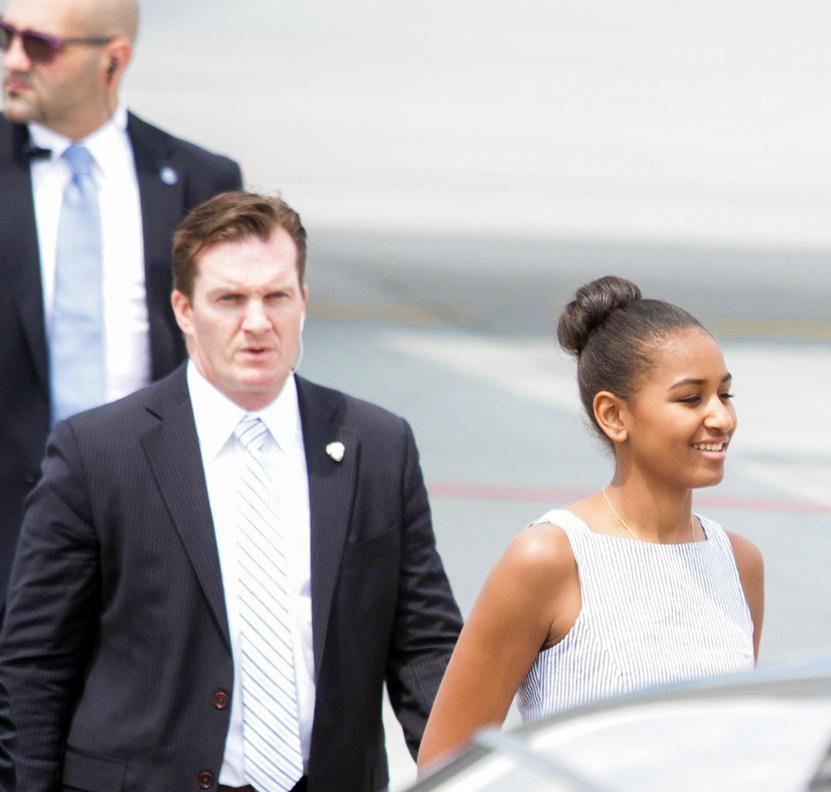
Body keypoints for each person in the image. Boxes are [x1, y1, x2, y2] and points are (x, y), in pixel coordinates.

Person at [0, 192, 463, 791]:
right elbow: (33, 667)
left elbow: (425, 646)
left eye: (276, 296)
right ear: (184, 310)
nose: (257, 323)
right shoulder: (97, 453)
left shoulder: (376, 446)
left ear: (303, 302)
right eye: (229, 299)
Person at [417, 276, 764, 771]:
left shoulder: (739, 564)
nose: (721, 418)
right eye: (691, 399)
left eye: (725, 395)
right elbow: (445, 766)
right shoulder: (549, 559)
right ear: (613, 415)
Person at [0, 0, 241, 602]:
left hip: (151, 535)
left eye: (40, 45)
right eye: (5, 36)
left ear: (113, 60)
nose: (12, 59)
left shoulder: (198, 181)